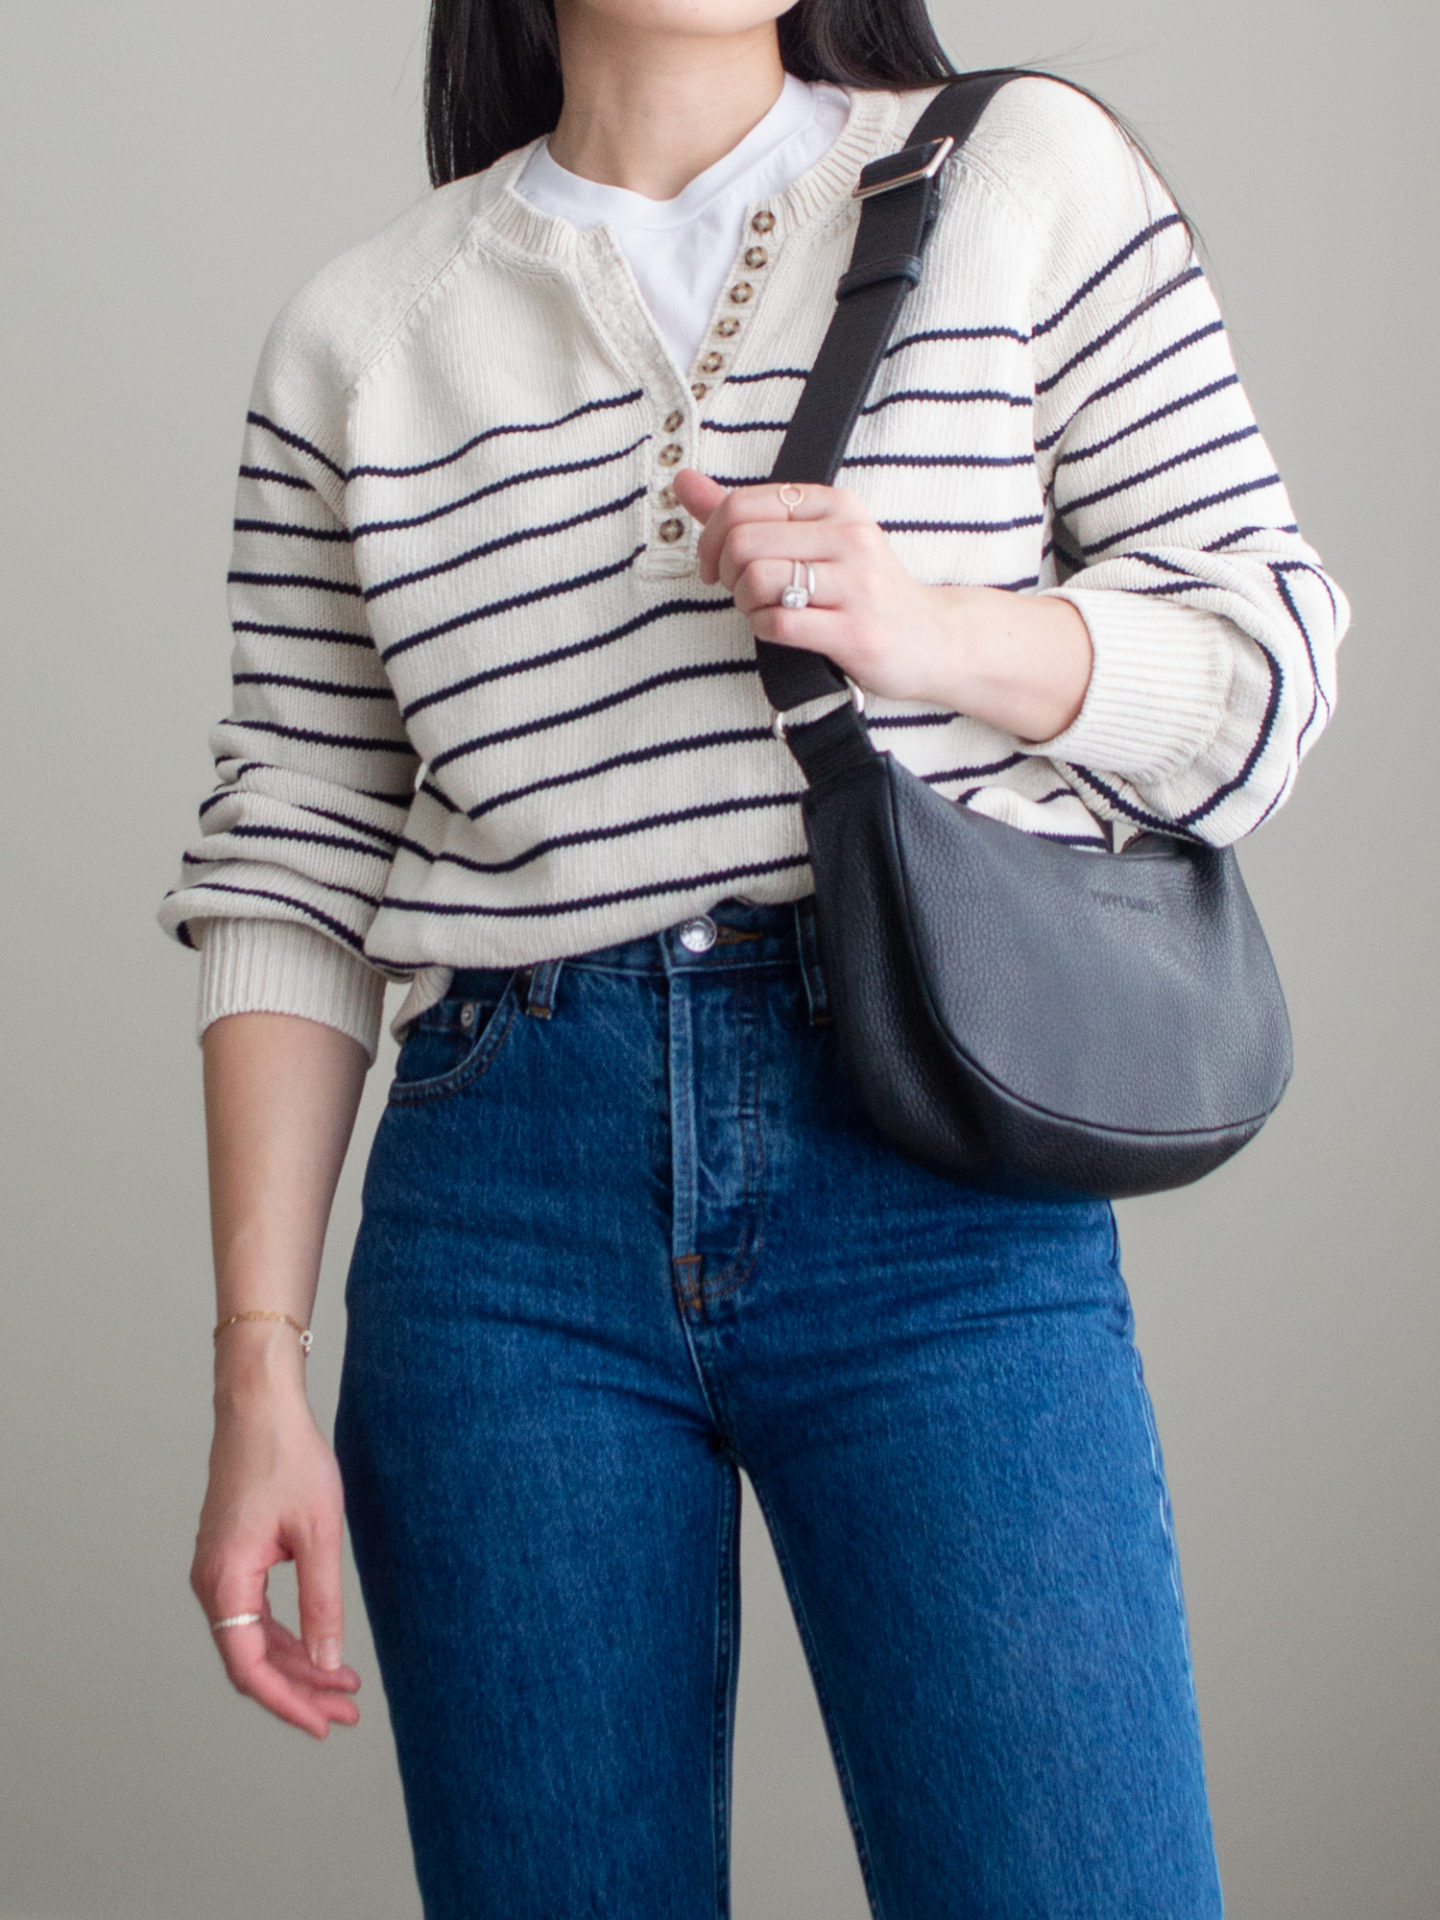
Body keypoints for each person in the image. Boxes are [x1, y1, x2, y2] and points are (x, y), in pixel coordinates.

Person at [160, 2, 1348, 1914]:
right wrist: (258, 1376)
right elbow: (290, 864)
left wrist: (932, 630)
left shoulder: (1022, 173)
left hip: (933, 1184)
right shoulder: (360, 336)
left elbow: (1263, 683)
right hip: (504, 1226)